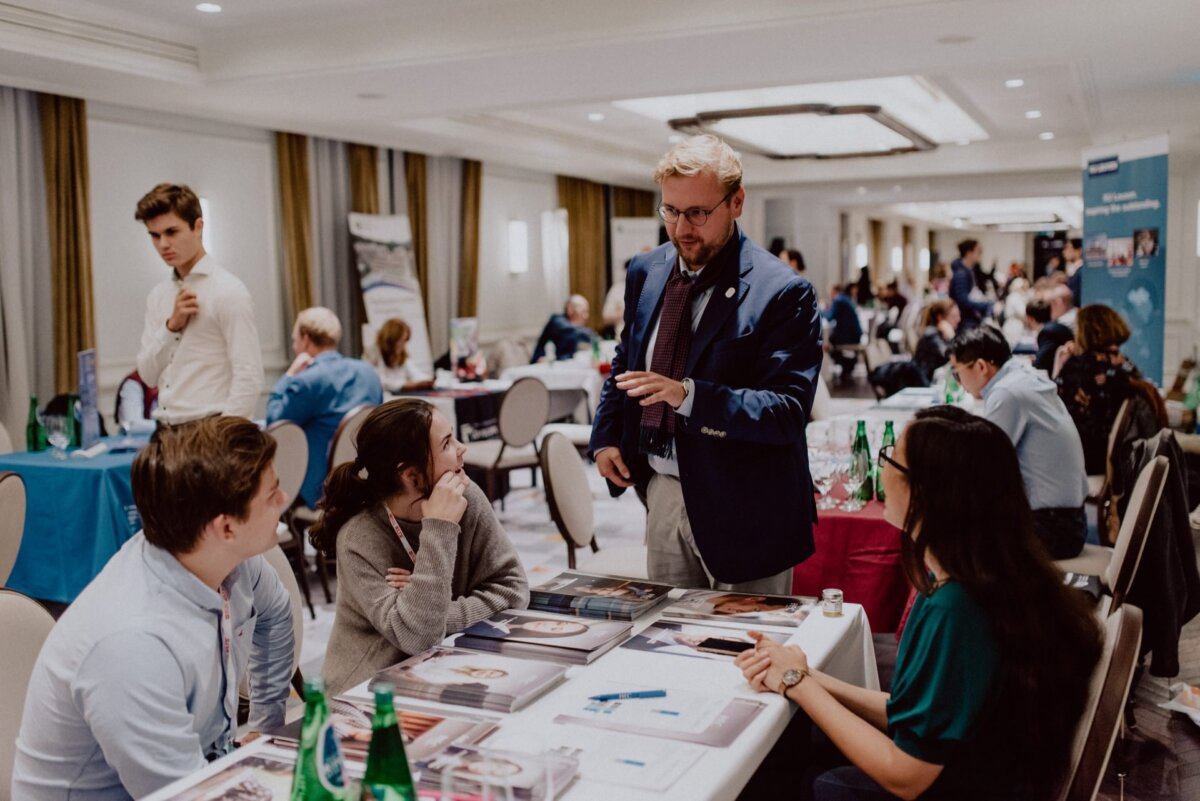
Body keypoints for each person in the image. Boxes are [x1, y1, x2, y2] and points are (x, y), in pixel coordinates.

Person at [736, 405, 1102, 800]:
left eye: (891, 457)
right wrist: (804, 674)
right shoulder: (993, 580)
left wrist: (798, 684)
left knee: (781, 768)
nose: (883, 469)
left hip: (961, 786)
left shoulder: (958, 607)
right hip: (985, 772)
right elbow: (913, 710)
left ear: (923, 493)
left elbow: (906, 775)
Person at [12, 416, 294, 800]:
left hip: (197, 774)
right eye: (271, 493)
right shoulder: (132, 643)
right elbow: (188, 796)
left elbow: (276, 615)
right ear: (225, 528)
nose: (284, 499)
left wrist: (266, 728)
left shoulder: (231, 561)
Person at [590, 134, 822, 593]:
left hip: (747, 505)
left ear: (736, 202)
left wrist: (689, 396)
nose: (681, 229)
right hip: (663, 491)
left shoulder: (783, 292)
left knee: (746, 656)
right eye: (671, 211)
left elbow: (786, 412)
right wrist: (606, 435)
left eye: (698, 213)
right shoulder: (646, 272)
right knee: (669, 647)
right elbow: (627, 361)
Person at [310, 399, 529, 695]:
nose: (462, 449)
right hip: (368, 690)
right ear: (411, 475)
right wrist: (440, 526)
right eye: (448, 443)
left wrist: (434, 608)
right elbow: (419, 636)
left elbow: (513, 590)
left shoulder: (466, 497)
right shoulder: (358, 539)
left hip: (444, 667)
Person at [948, 326, 1088, 558]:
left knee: (954, 534)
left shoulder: (1007, 393)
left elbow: (982, 467)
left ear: (981, 366)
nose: (959, 382)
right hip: (1069, 519)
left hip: (1052, 528)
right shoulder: (1024, 376)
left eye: (957, 373)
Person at [134, 183, 264, 424]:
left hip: (212, 429)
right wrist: (170, 327)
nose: (163, 244)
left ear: (198, 227)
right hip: (165, 430)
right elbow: (148, 375)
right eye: (155, 235)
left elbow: (249, 375)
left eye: (171, 232)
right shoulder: (158, 296)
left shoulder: (229, 291)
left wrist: (226, 437)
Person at [266, 307, 384, 510]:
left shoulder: (308, 381)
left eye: (295, 340)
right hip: (365, 481)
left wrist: (289, 375)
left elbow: (275, 423)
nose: (295, 346)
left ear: (306, 338)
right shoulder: (368, 374)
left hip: (321, 489)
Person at [1053, 305, 1167, 475]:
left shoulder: (1078, 367)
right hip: (1123, 461)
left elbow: (1056, 410)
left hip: (1085, 460)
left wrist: (1060, 364)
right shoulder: (1125, 365)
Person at [370, 318, 434, 393]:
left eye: (405, 341)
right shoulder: (374, 354)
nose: (404, 345)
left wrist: (427, 381)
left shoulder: (402, 355)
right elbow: (380, 381)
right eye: (401, 341)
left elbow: (415, 373)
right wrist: (404, 385)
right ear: (391, 340)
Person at [531, 294, 596, 362]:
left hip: (557, 364)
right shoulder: (557, 321)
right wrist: (594, 337)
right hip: (539, 365)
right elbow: (577, 331)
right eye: (583, 312)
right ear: (570, 309)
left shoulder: (573, 332)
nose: (586, 316)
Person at [911, 299, 958, 385]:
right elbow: (949, 356)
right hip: (924, 383)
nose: (958, 320)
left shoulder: (941, 334)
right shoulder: (931, 334)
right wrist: (952, 337)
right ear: (940, 318)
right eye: (954, 316)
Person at [948, 239, 991, 331]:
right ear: (969, 253)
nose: (980, 254)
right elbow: (962, 300)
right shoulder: (961, 273)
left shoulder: (968, 271)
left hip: (968, 317)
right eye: (978, 251)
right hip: (965, 320)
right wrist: (984, 305)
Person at [826, 283, 864, 385]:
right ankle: (847, 365)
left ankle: (842, 364)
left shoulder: (838, 300)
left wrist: (816, 310)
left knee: (827, 342)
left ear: (834, 292)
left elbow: (830, 317)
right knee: (831, 338)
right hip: (855, 335)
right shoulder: (847, 299)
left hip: (848, 337)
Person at [1025, 297, 1073, 373]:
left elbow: (1040, 365)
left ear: (1030, 318)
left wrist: (1030, 363)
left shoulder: (1047, 333)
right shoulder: (1061, 327)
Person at [113, 369, 158, 433]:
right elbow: (132, 425)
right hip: (134, 440)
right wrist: (167, 426)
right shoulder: (133, 383)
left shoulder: (167, 379)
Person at [1062, 237, 1084, 308]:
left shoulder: (1081, 273)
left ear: (1079, 251)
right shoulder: (1074, 271)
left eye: (1068, 248)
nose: (1064, 252)